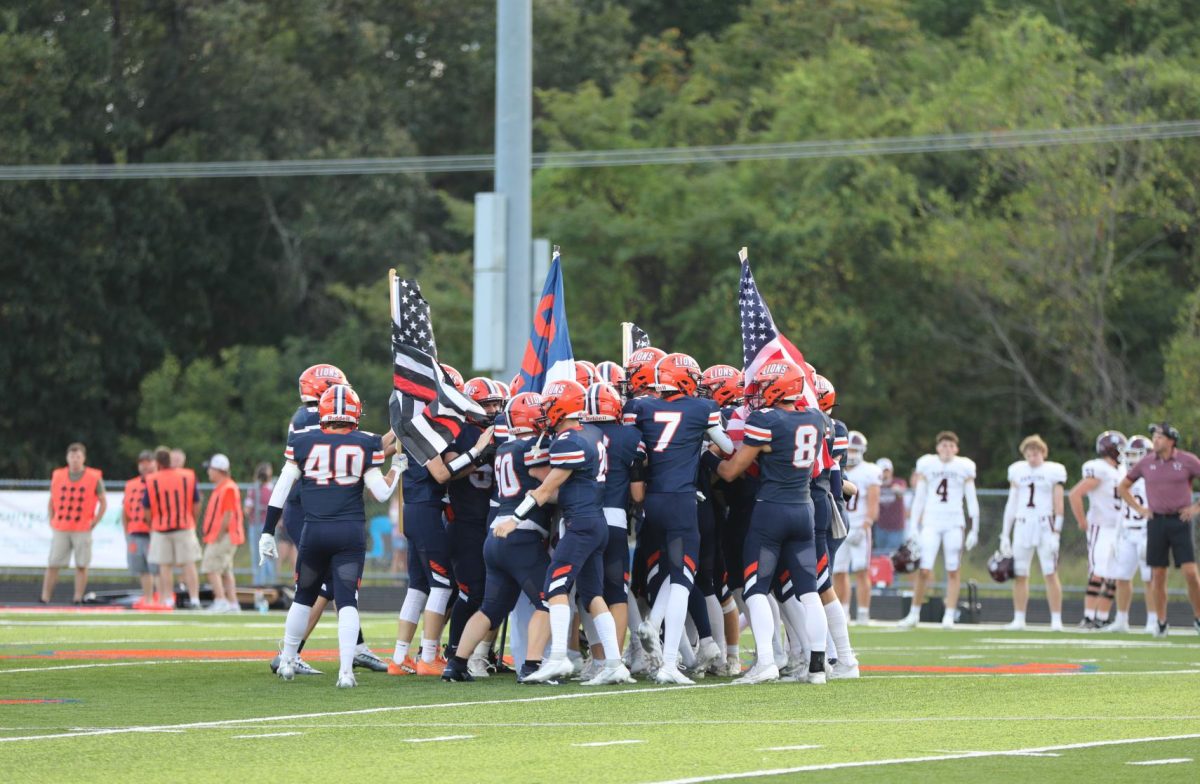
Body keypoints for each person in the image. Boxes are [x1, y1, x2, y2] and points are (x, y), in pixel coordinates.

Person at [260, 385, 403, 687]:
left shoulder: (302, 441)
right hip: (349, 533)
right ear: (353, 413)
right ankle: (345, 672)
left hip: (314, 531)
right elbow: (381, 492)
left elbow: (282, 489)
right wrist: (397, 470)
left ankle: (287, 661)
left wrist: (267, 531)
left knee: (302, 597)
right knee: (348, 600)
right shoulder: (367, 443)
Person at [716, 360, 829, 685]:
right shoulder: (815, 417)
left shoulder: (766, 420)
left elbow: (730, 471)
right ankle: (817, 667)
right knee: (809, 592)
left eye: (767, 385)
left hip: (771, 510)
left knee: (754, 588)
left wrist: (708, 455)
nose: (761, 391)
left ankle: (766, 660)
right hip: (803, 509)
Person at [519, 379, 635, 686]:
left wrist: (512, 519)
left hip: (581, 523)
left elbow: (546, 490)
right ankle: (613, 663)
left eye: (548, 406)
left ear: (560, 406)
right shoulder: (592, 432)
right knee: (594, 595)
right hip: (595, 521)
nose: (544, 412)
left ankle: (558, 658)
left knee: (555, 587)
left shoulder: (569, 440)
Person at [629, 353, 732, 684]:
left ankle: (651, 622)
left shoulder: (642, 408)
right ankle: (670, 663)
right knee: (683, 581)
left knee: (673, 576)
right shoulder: (701, 409)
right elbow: (728, 447)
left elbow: (637, 450)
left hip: (651, 502)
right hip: (682, 501)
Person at [442, 392, 553, 683]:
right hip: (521, 534)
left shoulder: (506, 448)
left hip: (495, 536)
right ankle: (531, 666)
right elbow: (547, 486)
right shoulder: (532, 447)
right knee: (550, 599)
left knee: (490, 608)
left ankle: (456, 664)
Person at [1118, 422, 1200, 637]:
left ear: (1172, 440)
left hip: (1180, 521)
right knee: (1158, 574)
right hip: (1156, 521)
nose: (1155, 440)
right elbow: (1123, 486)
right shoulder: (1146, 463)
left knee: (1191, 573)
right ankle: (1161, 621)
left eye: (1160, 436)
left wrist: (1195, 508)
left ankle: (1198, 617)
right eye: (1154, 436)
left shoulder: (1187, 461)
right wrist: (1140, 509)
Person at [898, 431, 980, 629]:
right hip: (932, 521)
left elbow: (971, 498)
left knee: (953, 569)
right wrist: (913, 527)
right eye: (944, 445)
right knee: (924, 570)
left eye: (951, 445)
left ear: (956, 449)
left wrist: (974, 528)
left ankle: (949, 615)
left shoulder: (964, 466)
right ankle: (914, 613)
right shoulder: (927, 464)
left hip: (954, 522)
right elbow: (919, 498)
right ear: (937, 448)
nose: (947, 449)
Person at [1001, 435, 1067, 631]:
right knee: (1020, 573)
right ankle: (1019, 618)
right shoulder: (1017, 470)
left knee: (1050, 572)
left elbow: (1059, 502)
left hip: (1044, 524)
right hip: (1022, 524)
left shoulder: (1053, 471)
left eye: (1035, 454)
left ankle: (1056, 619)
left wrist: (1057, 532)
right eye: (1028, 454)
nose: (1032, 458)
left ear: (1043, 453)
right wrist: (1005, 533)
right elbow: (1011, 503)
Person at [1069, 430, 1127, 629]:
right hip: (1101, 527)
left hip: (1118, 529)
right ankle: (1088, 616)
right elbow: (1075, 494)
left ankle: (1101, 617)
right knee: (1098, 572)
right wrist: (1082, 520)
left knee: (1113, 574)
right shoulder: (1099, 469)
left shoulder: (1122, 470)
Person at [41, 442, 106, 604]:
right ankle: (45, 597)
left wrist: (94, 522)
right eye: (72, 456)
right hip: (62, 526)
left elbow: (103, 502)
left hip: (82, 527)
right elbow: (52, 500)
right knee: (53, 563)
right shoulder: (58, 475)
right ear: (67, 458)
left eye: (78, 457)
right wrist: (52, 519)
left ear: (83, 458)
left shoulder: (93, 477)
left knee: (81, 564)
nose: (75, 460)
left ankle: (77, 597)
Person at [143, 446, 202, 609]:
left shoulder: (152, 479)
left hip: (161, 528)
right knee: (189, 564)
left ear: (157, 462)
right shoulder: (187, 476)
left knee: (165, 566)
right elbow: (196, 502)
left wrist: (152, 524)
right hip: (184, 525)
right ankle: (195, 599)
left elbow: (147, 508)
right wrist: (192, 519)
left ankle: (168, 599)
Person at [1111, 435, 1154, 633]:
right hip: (1128, 532)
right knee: (1122, 577)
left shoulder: (1153, 478)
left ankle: (1154, 620)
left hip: (1147, 531)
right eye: (1128, 454)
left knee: (1150, 578)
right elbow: (1121, 510)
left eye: (1135, 455)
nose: (1130, 459)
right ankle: (1121, 620)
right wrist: (1116, 535)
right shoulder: (1124, 476)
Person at [837, 431, 881, 624]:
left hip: (860, 527)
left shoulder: (869, 471)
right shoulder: (836, 468)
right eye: (849, 449)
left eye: (855, 449)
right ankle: (843, 612)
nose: (851, 453)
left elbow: (873, 503)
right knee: (838, 571)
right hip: (839, 524)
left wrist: (865, 525)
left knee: (861, 571)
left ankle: (863, 612)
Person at [201, 454, 245, 613]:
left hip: (225, 535)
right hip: (224, 535)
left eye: (211, 469)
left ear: (219, 470)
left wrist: (218, 534)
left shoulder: (227, 487)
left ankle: (220, 600)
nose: (208, 472)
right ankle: (233, 603)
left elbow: (228, 514)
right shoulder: (223, 486)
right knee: (226, 571)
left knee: (211, 567)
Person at [122, 450, 157, 608]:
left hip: (153, 532)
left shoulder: (158, 481)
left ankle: (161, 598)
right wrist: (126, 531)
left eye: (148, 462)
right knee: (142, 568)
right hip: (135, 531)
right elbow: (125, 510)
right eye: (142, 463)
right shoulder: (131, 484)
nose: (145, 466)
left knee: (156, 568)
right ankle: (148, 598)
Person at [244, 463, 276, 586]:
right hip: (266, 527)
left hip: (257, 526)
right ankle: (267, 582)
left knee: (259, 556)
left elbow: (247, 509)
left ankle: (261, 583)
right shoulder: (271, 489)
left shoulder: (254, 489)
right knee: (265, 555)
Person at [874, 458, 908, 556]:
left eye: (886, 471)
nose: (884, 474)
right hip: (881, 526)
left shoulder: (898, 481)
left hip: (896, 527)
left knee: (894, 556)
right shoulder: (875, 485)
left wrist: (896, 489)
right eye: (882, 471)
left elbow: (901, 490)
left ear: (891, 471)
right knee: (881, 556)